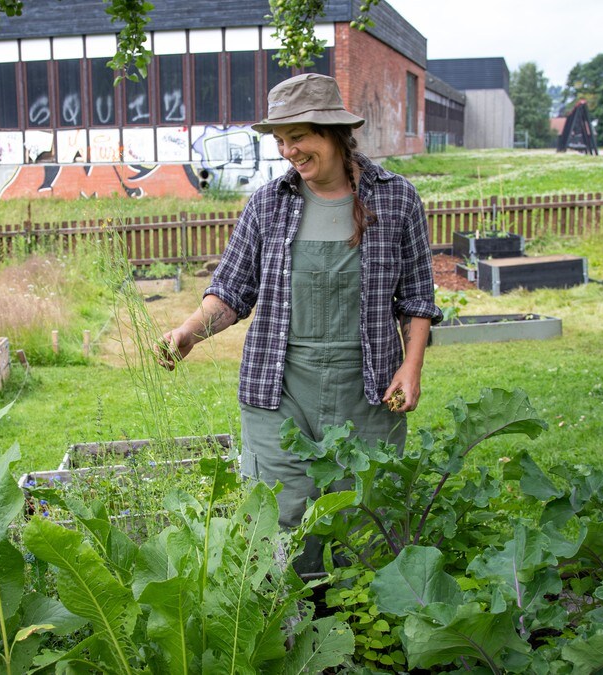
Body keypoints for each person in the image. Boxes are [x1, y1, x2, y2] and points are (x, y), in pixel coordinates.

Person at [159, 73, 442, 574]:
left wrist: (412, 366)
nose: (289, 151)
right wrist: (188, 333)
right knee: (282, 517)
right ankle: (290, 635)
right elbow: (230, 292)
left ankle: (367, 636)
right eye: (281, 140)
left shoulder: (396, 199)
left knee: (366, 517)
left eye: (299, 137)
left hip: (369, 388)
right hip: (279, 388)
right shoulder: (268, 205)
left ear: (333, 133)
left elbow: (417, 297)